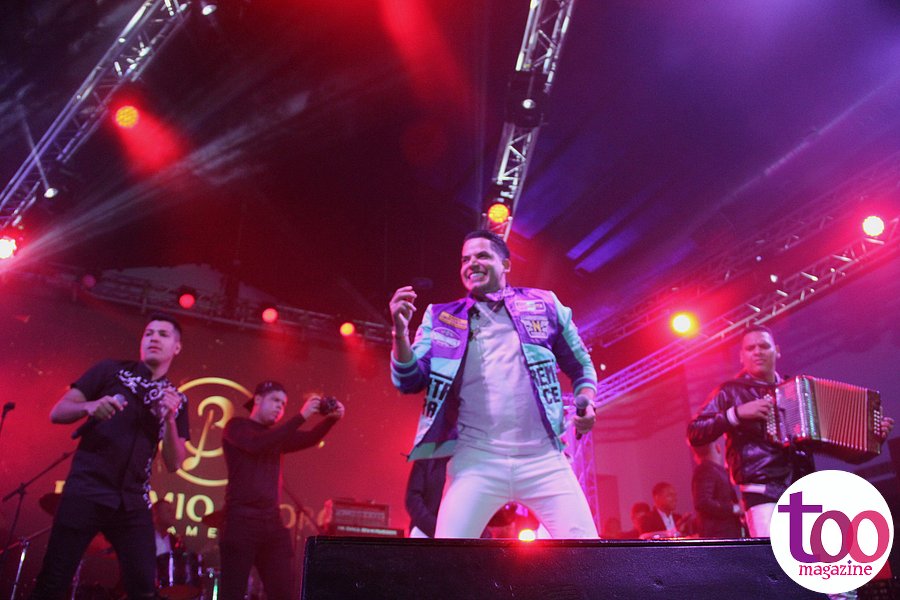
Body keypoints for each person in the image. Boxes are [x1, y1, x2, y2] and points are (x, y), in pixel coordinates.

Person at [389, 230, 598, 538]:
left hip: (544, 458)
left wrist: (587, 401)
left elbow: (581, 366)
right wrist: (399, 333)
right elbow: (409, 380)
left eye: (482, 256)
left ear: (506, 265)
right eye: (465, 259)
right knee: (447, 557)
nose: (471, 264)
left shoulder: (545, 305)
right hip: (476, 459)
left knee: (587, 553)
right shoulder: (442, 316)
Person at [31, 313, 190, 600]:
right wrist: (89, 406)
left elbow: (174, 462)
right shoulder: (110, 371)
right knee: (53, 582)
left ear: (177, 347)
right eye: (149, 333)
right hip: (86, 490)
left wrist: (169, 419)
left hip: (132, 501)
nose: (153, 338)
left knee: (144, 589)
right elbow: (58, 412)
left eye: (163, 334)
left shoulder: (176, 399)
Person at [687, 324, 893, 538]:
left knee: (805, 557)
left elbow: (840, 451)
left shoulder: (798, 391)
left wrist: (872, 441)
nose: (757, 352)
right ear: (741, 356)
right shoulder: (731, 391)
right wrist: (736, 414)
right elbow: (695, 432)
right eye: (750, 348)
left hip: (802, 491)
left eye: (764, 346)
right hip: (762, 493)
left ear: (776, 350)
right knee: (772, 555)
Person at [219, 382, 344, 600]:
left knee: (283, 591)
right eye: (275, 400)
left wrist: (331, 419)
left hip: (271, 522)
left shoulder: (276, 436)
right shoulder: (236, 427)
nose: (280, 407)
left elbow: (310, 438)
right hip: (240, 521)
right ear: (258, 400)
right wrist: (301, 416)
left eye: (284, 404)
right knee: (233, 592)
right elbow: (257, 444)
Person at [690, 441, 743, 538]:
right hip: (719, 536)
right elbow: (703, 502)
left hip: (724, 535)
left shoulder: (713, 470)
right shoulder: (706, 469)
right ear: (718, 448)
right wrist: (735, 508)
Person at [404, 456, 450, 538]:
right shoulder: (426, 460)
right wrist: (433, 526)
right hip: (424, 532)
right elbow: (412, 498)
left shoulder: (467, 464)